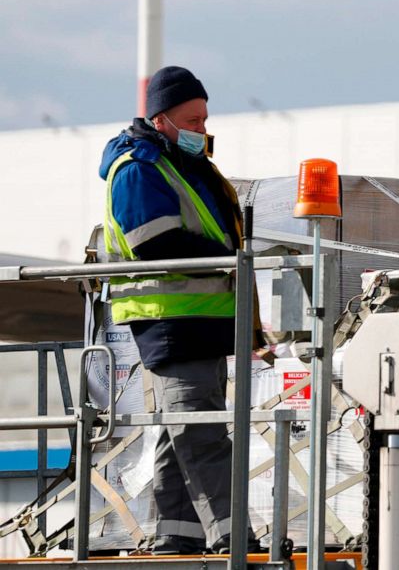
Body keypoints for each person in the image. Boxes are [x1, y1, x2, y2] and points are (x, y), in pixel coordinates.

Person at [98, 66, 254, 555]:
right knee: (200, 432)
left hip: (201, 319)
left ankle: (176, 535)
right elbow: (154, 242)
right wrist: (225, 259)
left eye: (205, 119)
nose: (203, 129)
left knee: (177, 430)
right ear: (162, 119)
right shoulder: (138, 167)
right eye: (194, 119)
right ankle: (233, 538)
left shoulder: (180, 164)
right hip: (171, 320)